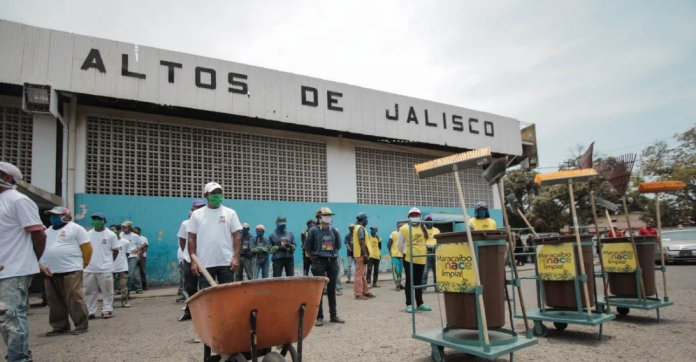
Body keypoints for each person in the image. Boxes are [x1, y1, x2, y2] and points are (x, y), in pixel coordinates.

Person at [0, 162, 46, 362]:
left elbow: (38, 233)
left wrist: (34, 259)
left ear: (8, 177)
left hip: (13, 269)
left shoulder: (18, 200)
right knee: (4, 319)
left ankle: (19, 359)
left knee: (11, 316)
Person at [40, 206, 91, 335]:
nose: (53, 218)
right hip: (50, 271)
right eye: (51, 216)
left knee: (74, 298)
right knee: (54, 300)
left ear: (66, 216)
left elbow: (87, 248)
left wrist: (83, 264)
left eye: (56, 215)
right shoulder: (47, 232)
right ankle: (60, 325)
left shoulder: (75, 228)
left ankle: (81, 325)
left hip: (71, 269)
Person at [187, 182, 243, 289]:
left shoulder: (230, 213)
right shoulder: (197, 214)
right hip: (204, 264)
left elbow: (237, 236)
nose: (217, 195)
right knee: (208, 296)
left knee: (228, 294)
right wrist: (193, 261)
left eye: (219, 193)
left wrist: (236, 258)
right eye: (213, 193)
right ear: (206, 195)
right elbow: (191, 238)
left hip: (227, 263)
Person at [303, 207, 345, 326]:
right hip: (319, 262)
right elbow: (307, 248)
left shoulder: (334, 231)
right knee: (319, 290)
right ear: (319, 217)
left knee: (332, 289)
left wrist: (332, 256)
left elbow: (337, 245)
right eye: (325, 215)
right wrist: (315, 260)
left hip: (332, 261)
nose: (328, 217)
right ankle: (319, 316)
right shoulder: (313, 231)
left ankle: (334, 315)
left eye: (329, 215)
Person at [83, 213, 119, 319]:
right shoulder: (87, 234)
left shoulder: (111, 235)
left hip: (105, 268)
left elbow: (115, 250)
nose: (96, 221)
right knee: (89, 291)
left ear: (104, 221)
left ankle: (107, 310)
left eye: (99, 219)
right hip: (89, 268)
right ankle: (90, 311)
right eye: (94, 219)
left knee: (107, 291)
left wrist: (109, 262)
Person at [397, 207, 431, 313]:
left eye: (416, 215)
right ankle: (409, 303)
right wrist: (407, 252)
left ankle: (420, 303)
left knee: (419, 281)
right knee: (409, 281)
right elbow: (399, 245)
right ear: (408, 217)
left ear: (420, 216)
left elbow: (425, 242)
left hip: (421, 258)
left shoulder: (423, 227)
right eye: (412, 215)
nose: (414, 217)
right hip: (409, 258)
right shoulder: (404, 228)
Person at [177, 199, 206, 320]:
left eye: (201, 207)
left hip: (204, 259)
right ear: (192, 209)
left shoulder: (207, 221)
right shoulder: (186, 223)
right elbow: (182, 240)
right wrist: (188, 254)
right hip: (190, 259)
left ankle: (204, 312)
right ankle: (190, 312)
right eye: (196, 208)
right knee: (190, 287)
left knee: (204, 287)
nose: (198, 210)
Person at [352, 212, 375, 300]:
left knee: (362, 274)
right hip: (361, 254)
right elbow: (362, 242)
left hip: (362, 254)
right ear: (363, 219)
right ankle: (358, 293)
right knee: (359, 274)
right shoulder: (360, 228)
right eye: (366, 218)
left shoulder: (359, 228)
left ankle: (365, 291)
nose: (367, 220)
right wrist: (365, 255)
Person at [121, 221, 145, 294]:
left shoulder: (134, 236)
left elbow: (144, 244)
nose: (124, 228)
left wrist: (137, 249)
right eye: (123, 226)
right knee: (123, 273)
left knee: (130, 274)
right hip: (123, 256)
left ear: (129, 227)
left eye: (126, 226)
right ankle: (124, 288)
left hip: (132, 256)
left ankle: (128, 289)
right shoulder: (121, 235)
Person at [111, 225, 130, 308]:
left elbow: (127, 254)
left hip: (122, 267)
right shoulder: (108, 241)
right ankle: (109, 304)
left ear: (118, 231)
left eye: (113, 230)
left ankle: (124, 301)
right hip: (110, 267)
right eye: (110, 229)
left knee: (123, 286)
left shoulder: (125, 242)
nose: (111, 231)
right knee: (109, 287)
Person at [421, 215, 440, 291]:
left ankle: (437, 287)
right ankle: (423, 288)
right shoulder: (422, 230)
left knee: (436, 271)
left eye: (430, 220)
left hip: (436, 252)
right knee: (425, 271)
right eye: (427, 220)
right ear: (425, 222)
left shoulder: (437, 230)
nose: (429, 221)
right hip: (426, 253)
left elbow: (439, 239)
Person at [388, 223, 405, 290]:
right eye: (399, 226)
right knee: (395, 270)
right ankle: (397, 284)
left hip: (402, 255)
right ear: (397, 226)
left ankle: (400, 283)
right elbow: (389, 244)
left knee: (400, 270)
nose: (400, 227)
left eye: (402, 226)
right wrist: (390, 252)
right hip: (394, 254)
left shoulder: (404, 234)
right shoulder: (393, 233)